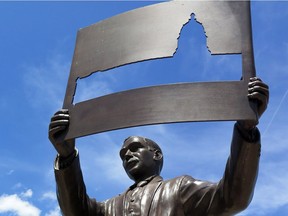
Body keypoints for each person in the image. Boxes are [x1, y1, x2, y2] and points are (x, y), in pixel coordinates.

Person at [49, 77, 269, 216]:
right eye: (123, 154)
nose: (128, 155)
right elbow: (75, 211)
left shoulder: (180, 188)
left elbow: (232, 198)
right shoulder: (108, 208)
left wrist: (246, 130)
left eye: (135, 148)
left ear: (156, 154)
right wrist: (67, 157)